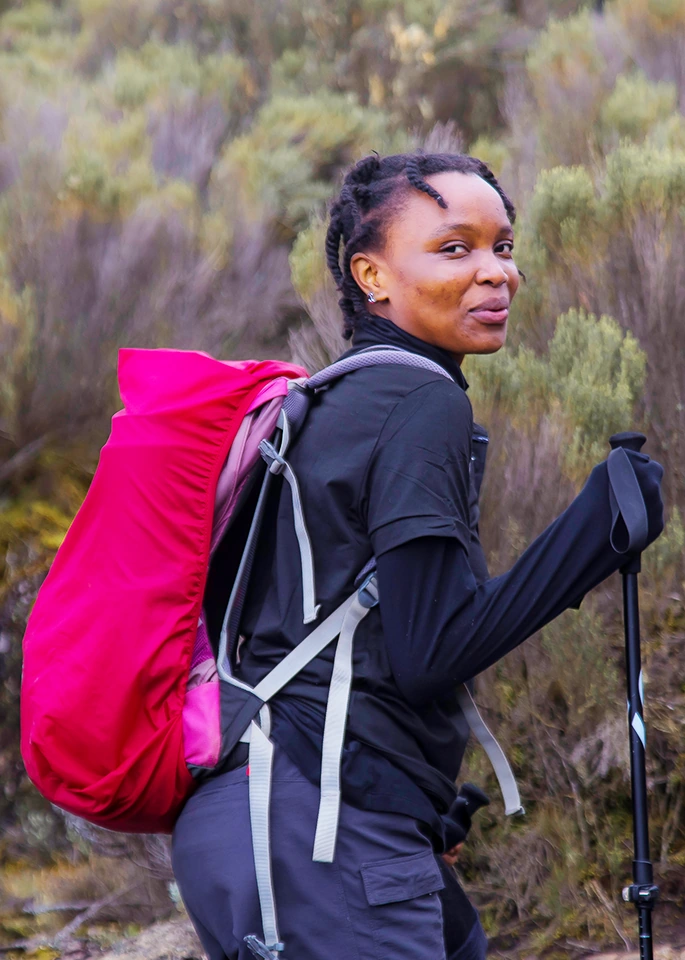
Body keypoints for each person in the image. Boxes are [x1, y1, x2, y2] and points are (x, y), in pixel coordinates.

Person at [171, 152, 664, 960]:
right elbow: (431, 648)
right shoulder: (418, 400)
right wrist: (597, 532)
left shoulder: (325, 401)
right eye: (453, 249)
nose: (494, 273)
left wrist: (407, 784)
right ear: (371, 274)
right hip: (320, 827)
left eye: (503, 247)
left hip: (255, 815)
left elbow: (308, 624)